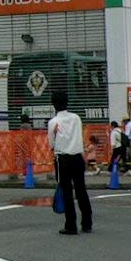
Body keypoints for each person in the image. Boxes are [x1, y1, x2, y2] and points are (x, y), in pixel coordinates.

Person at [48, 89, 92, 235]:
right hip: (78, 157)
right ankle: (87, 223)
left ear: (53, 104)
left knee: (66, 191)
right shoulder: (76, 118)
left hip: (63, 159)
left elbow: (52, 143)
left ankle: (71, 224)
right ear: (67, 102)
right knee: (81, 190)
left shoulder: (53, 122)